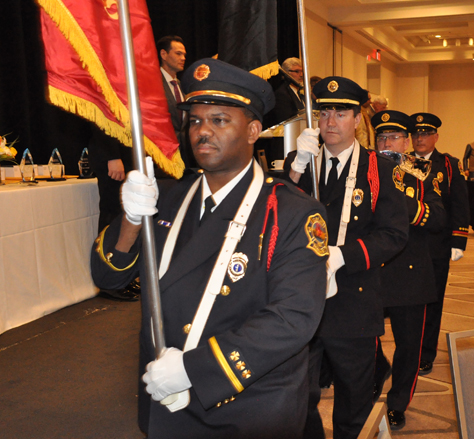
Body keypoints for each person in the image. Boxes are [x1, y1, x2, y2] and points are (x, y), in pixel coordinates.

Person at [91, 58, 329, 439]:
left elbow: (293, 318)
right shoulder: (167, 198)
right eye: (196, 120)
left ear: (253, 130)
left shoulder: (292, 212)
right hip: (168, 397)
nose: (203, 132)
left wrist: (194, 369)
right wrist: (132, 219)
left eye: (219, 120)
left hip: (245, 403)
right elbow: (107, 277)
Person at [281, 76, 409, 439]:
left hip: (353, 301)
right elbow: (275, 216)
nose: (331, 122)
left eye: (341, 113)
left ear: (358, 119)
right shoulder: (301, 161)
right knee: (297, 398)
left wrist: (342, 256)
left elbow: (393, 234)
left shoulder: (379, 169)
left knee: (354, 400)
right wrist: (297, 167)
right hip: (301, 300)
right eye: (324, 113)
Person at [371, 110, 446, 430]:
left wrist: (399, 203)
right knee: (359, 334)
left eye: (394, 137)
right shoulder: (362, 171)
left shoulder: (421, 174)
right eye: (381, 137)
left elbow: (438, 217)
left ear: (406, 142)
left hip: (410, 273)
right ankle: (377, 371)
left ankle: (398, 402)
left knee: (409, 346)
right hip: (371, 271)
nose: (387, 143)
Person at [410, 113, 469, 375]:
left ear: (436, 136)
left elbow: (459, 203)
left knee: (432, 303)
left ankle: (426, 353)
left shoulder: (448, 164)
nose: (419, 138)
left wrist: (458, 239)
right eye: (415, 134)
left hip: (437, 245)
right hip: (407, 246)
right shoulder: (403, 162)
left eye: (425, 134)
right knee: (408, 303)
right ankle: (408, 351)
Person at [87, 124, 139, 301]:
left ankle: (123, 274)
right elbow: (101, 120)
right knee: (113, 215)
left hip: (127, 155)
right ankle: (108, 278)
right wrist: (112, 156)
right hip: (114, 157)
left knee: (127, 215)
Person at [157, 35, 196, 169]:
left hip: (185, 156)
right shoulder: (153, 84)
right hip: (162, 156)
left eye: (184, 54)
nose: (183, 58)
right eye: (178, 54)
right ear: (164, 54)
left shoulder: (182, 86)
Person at [265, 57, 305, 127]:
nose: (301, 75)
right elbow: (286, 121)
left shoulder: (299, 93)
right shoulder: (282, 94)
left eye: (302, 71)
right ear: (287, 74)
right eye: (297, 71)